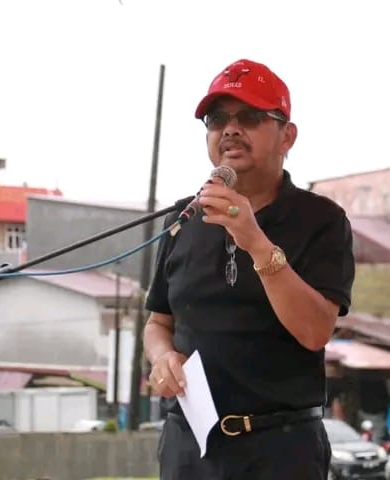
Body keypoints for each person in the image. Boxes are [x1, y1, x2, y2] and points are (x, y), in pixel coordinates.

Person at [143, 58, 355, 480]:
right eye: (217, 119)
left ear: (287, 136)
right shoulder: (183, 219)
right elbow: (158, 321)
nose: (230, 129)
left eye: (251, 117)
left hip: (280, 448)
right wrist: (162, 357)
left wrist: (255, 240)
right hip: (190, 446)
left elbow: (315, 331)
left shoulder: (321, 220)